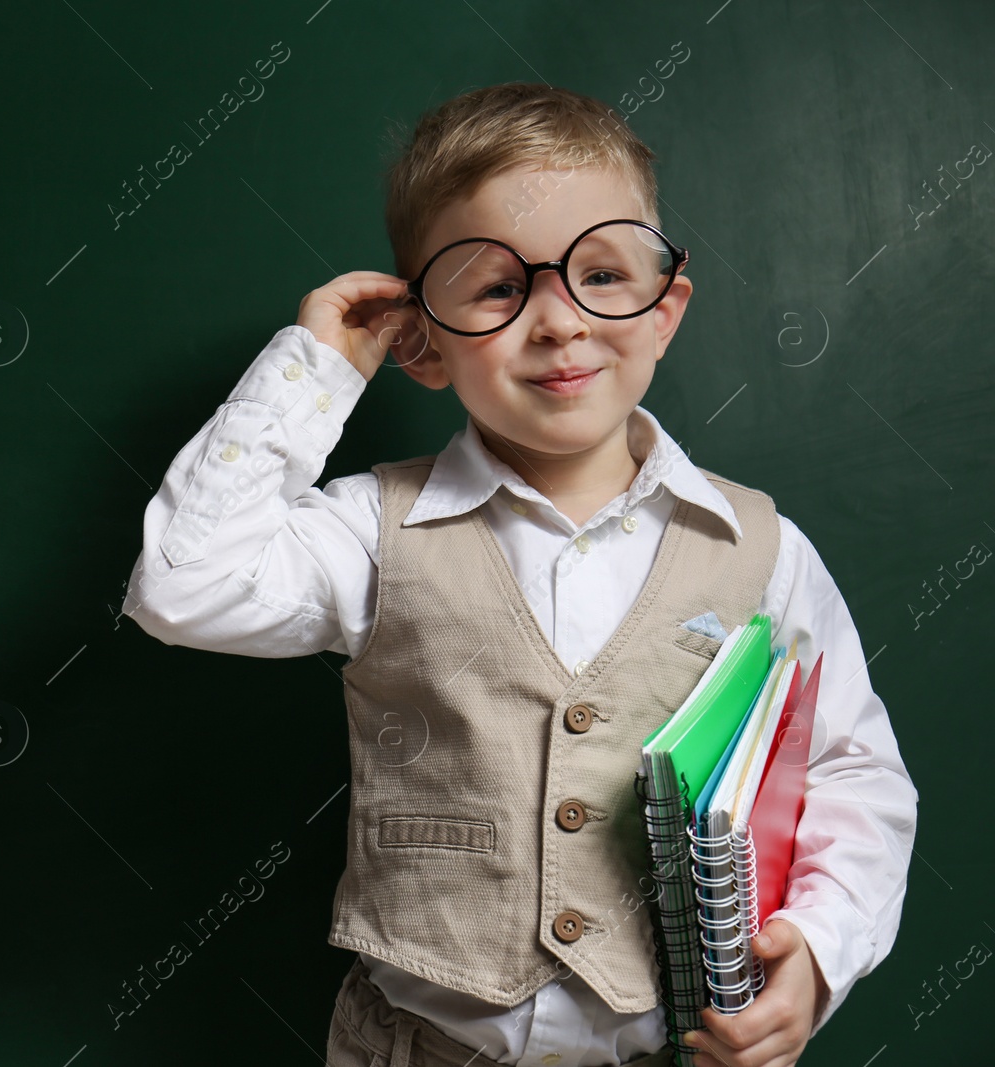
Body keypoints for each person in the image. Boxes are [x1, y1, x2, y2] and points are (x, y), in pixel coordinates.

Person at [120, 82, 917, 1067]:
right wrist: (318, 365)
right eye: (496, 288)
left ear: (664, 311)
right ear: (421, 339)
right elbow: (182, 585)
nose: (558, 321)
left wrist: (819, 953)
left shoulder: (759, 544)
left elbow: (852, 774)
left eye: (603, 274)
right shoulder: (373, 529)